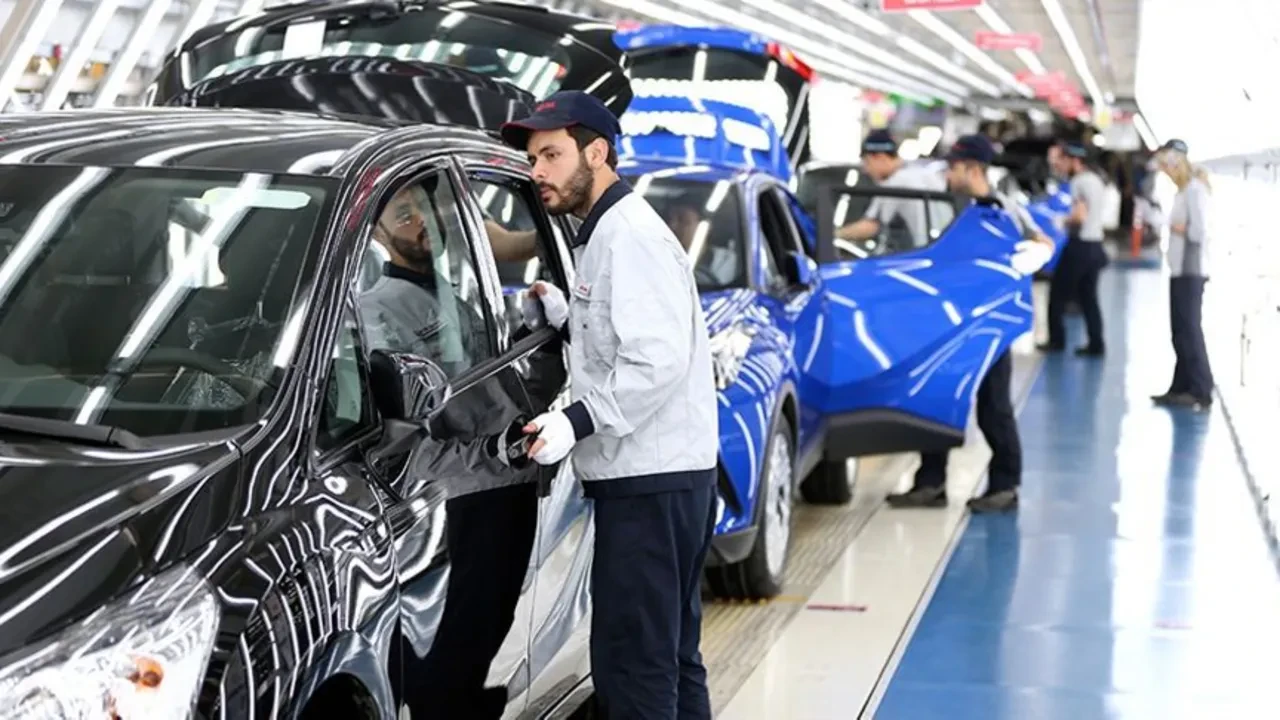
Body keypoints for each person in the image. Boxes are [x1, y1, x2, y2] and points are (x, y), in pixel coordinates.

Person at [499, 90, 719, 719]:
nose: (536, 171)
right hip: (666, 478)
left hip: (650, 482)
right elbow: (626, 339)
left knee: (632, 664)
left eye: (551, 154)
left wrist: (575, 420)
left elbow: (656, 361)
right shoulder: (607, 233)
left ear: (596, 152)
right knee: (671, 654)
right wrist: (571, 320)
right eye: (534, 157)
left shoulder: (628, 236)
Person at [358, 182, 561, 719]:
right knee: (452, 652)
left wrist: (537, 334)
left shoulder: (453, 293)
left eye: (423, 210)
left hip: (509, 480)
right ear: (377, 233)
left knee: (487, 633)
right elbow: (405, 437)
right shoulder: (377, 311)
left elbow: (492, 388)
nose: (419, 223)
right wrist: (495, 450)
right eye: (403, 217)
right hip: (461, 500)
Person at [886, 134, 1055, 514]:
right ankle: (930, 484)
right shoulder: (944, 208)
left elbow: (1044, 242)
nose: (948, 173)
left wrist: (1031, 257)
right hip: (946, 322)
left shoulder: (1006, 209)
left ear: (973, 169)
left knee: (994, 407)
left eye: (954, 167)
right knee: (937, 398)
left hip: (989, 325)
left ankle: (1005, 485)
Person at [1150, 138, 1215, 411]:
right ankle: (1181, 387)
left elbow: (1199, 232)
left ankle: (1201, 389)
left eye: (1167, 163)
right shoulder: (1183, 191)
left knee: (1190, 331)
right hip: (1179, 270)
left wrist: (1173, 226)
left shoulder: (1195, 191)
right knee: (1179, 332)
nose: (1164, 169)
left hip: (1191, 270)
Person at [1041, 139, 1109, 356]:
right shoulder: (1096, 180)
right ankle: (1097, 344)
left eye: (1062, 160)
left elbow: (1079, 216)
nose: (1059, 165)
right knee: (1089, 297)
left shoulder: (1078, 182)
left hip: (1080, 247)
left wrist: (1063, 220)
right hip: (1097, 245)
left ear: (1074, 160)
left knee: (1057, 294)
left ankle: (1056, 341)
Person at [836, 129, 947, 248]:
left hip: (919, 254)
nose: (866, 170)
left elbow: (871, 226)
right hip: (944, 249)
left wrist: (834, 234)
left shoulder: (895, 182)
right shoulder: (929, 175)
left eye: (867, 162)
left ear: (880, 157)